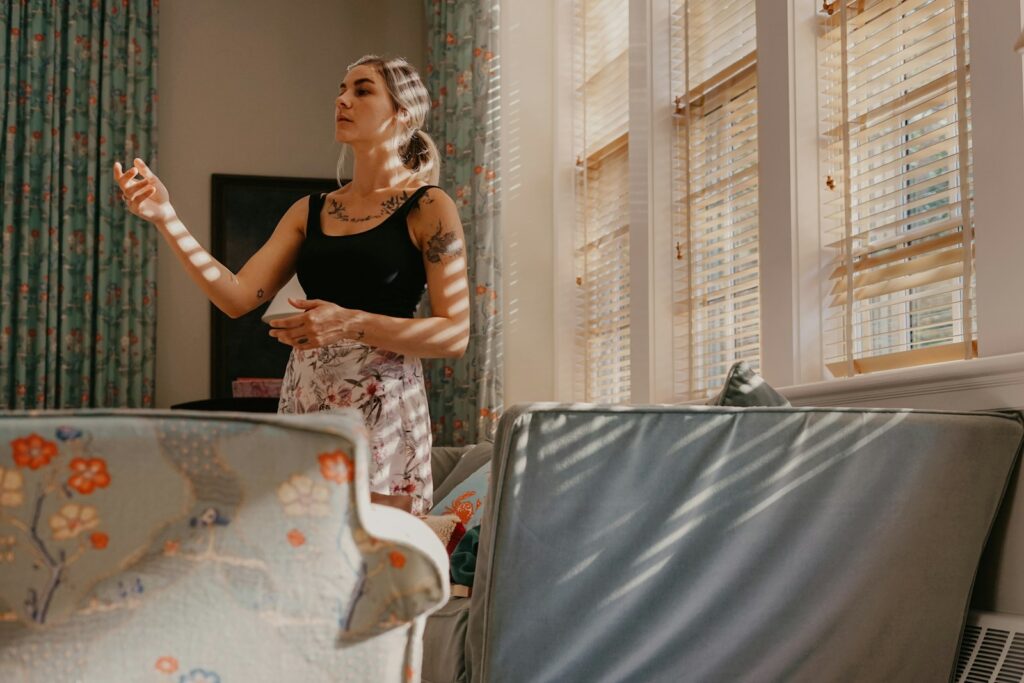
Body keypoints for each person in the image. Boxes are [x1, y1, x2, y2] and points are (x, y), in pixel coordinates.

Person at [113, 55, 469, 515]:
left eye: (362, 90)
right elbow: (236, 297)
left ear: (403, 112)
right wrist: (167, 219)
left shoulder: (429, 206)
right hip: (306, 405)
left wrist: (348, 324)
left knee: (373, 575)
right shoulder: (310, 210)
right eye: (341, 89)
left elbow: (454, 334)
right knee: (303, 568)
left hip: (385, 416)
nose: (342, 99)